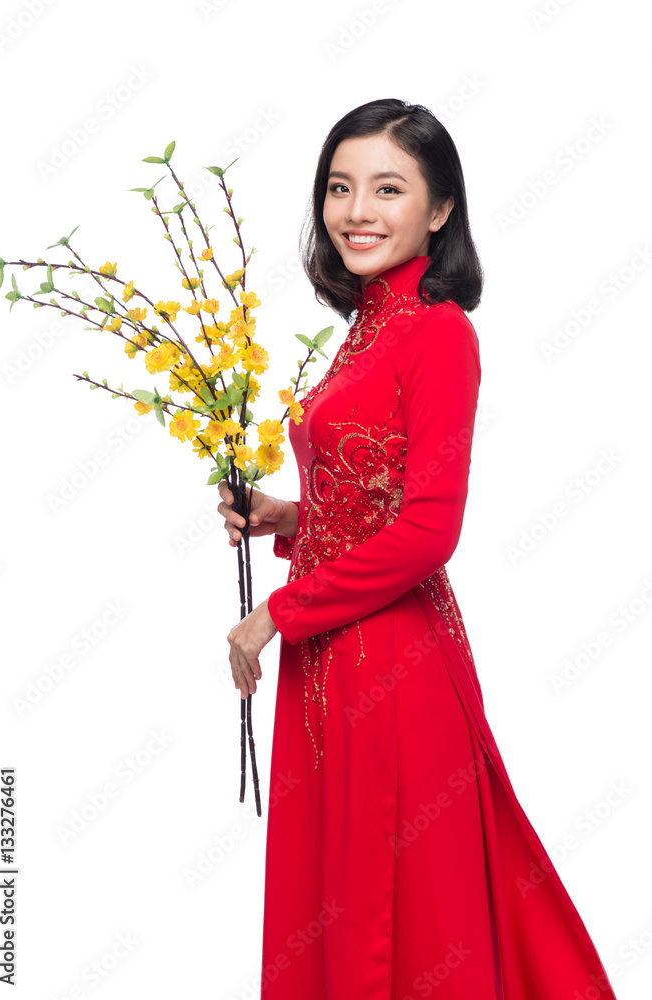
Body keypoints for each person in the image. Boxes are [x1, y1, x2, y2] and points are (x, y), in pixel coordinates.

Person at [217, 98, 618, 999]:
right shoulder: (365, 328)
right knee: (335, 895)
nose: (356, 210)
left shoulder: (438, 332)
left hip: (390, 671)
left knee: (392, 907)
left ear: (438, 209)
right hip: (331, 663)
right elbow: (367, 495)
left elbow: (428, 529)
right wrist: (284, 515)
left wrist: (274, 613)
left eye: (386, 188)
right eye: (339, 187)